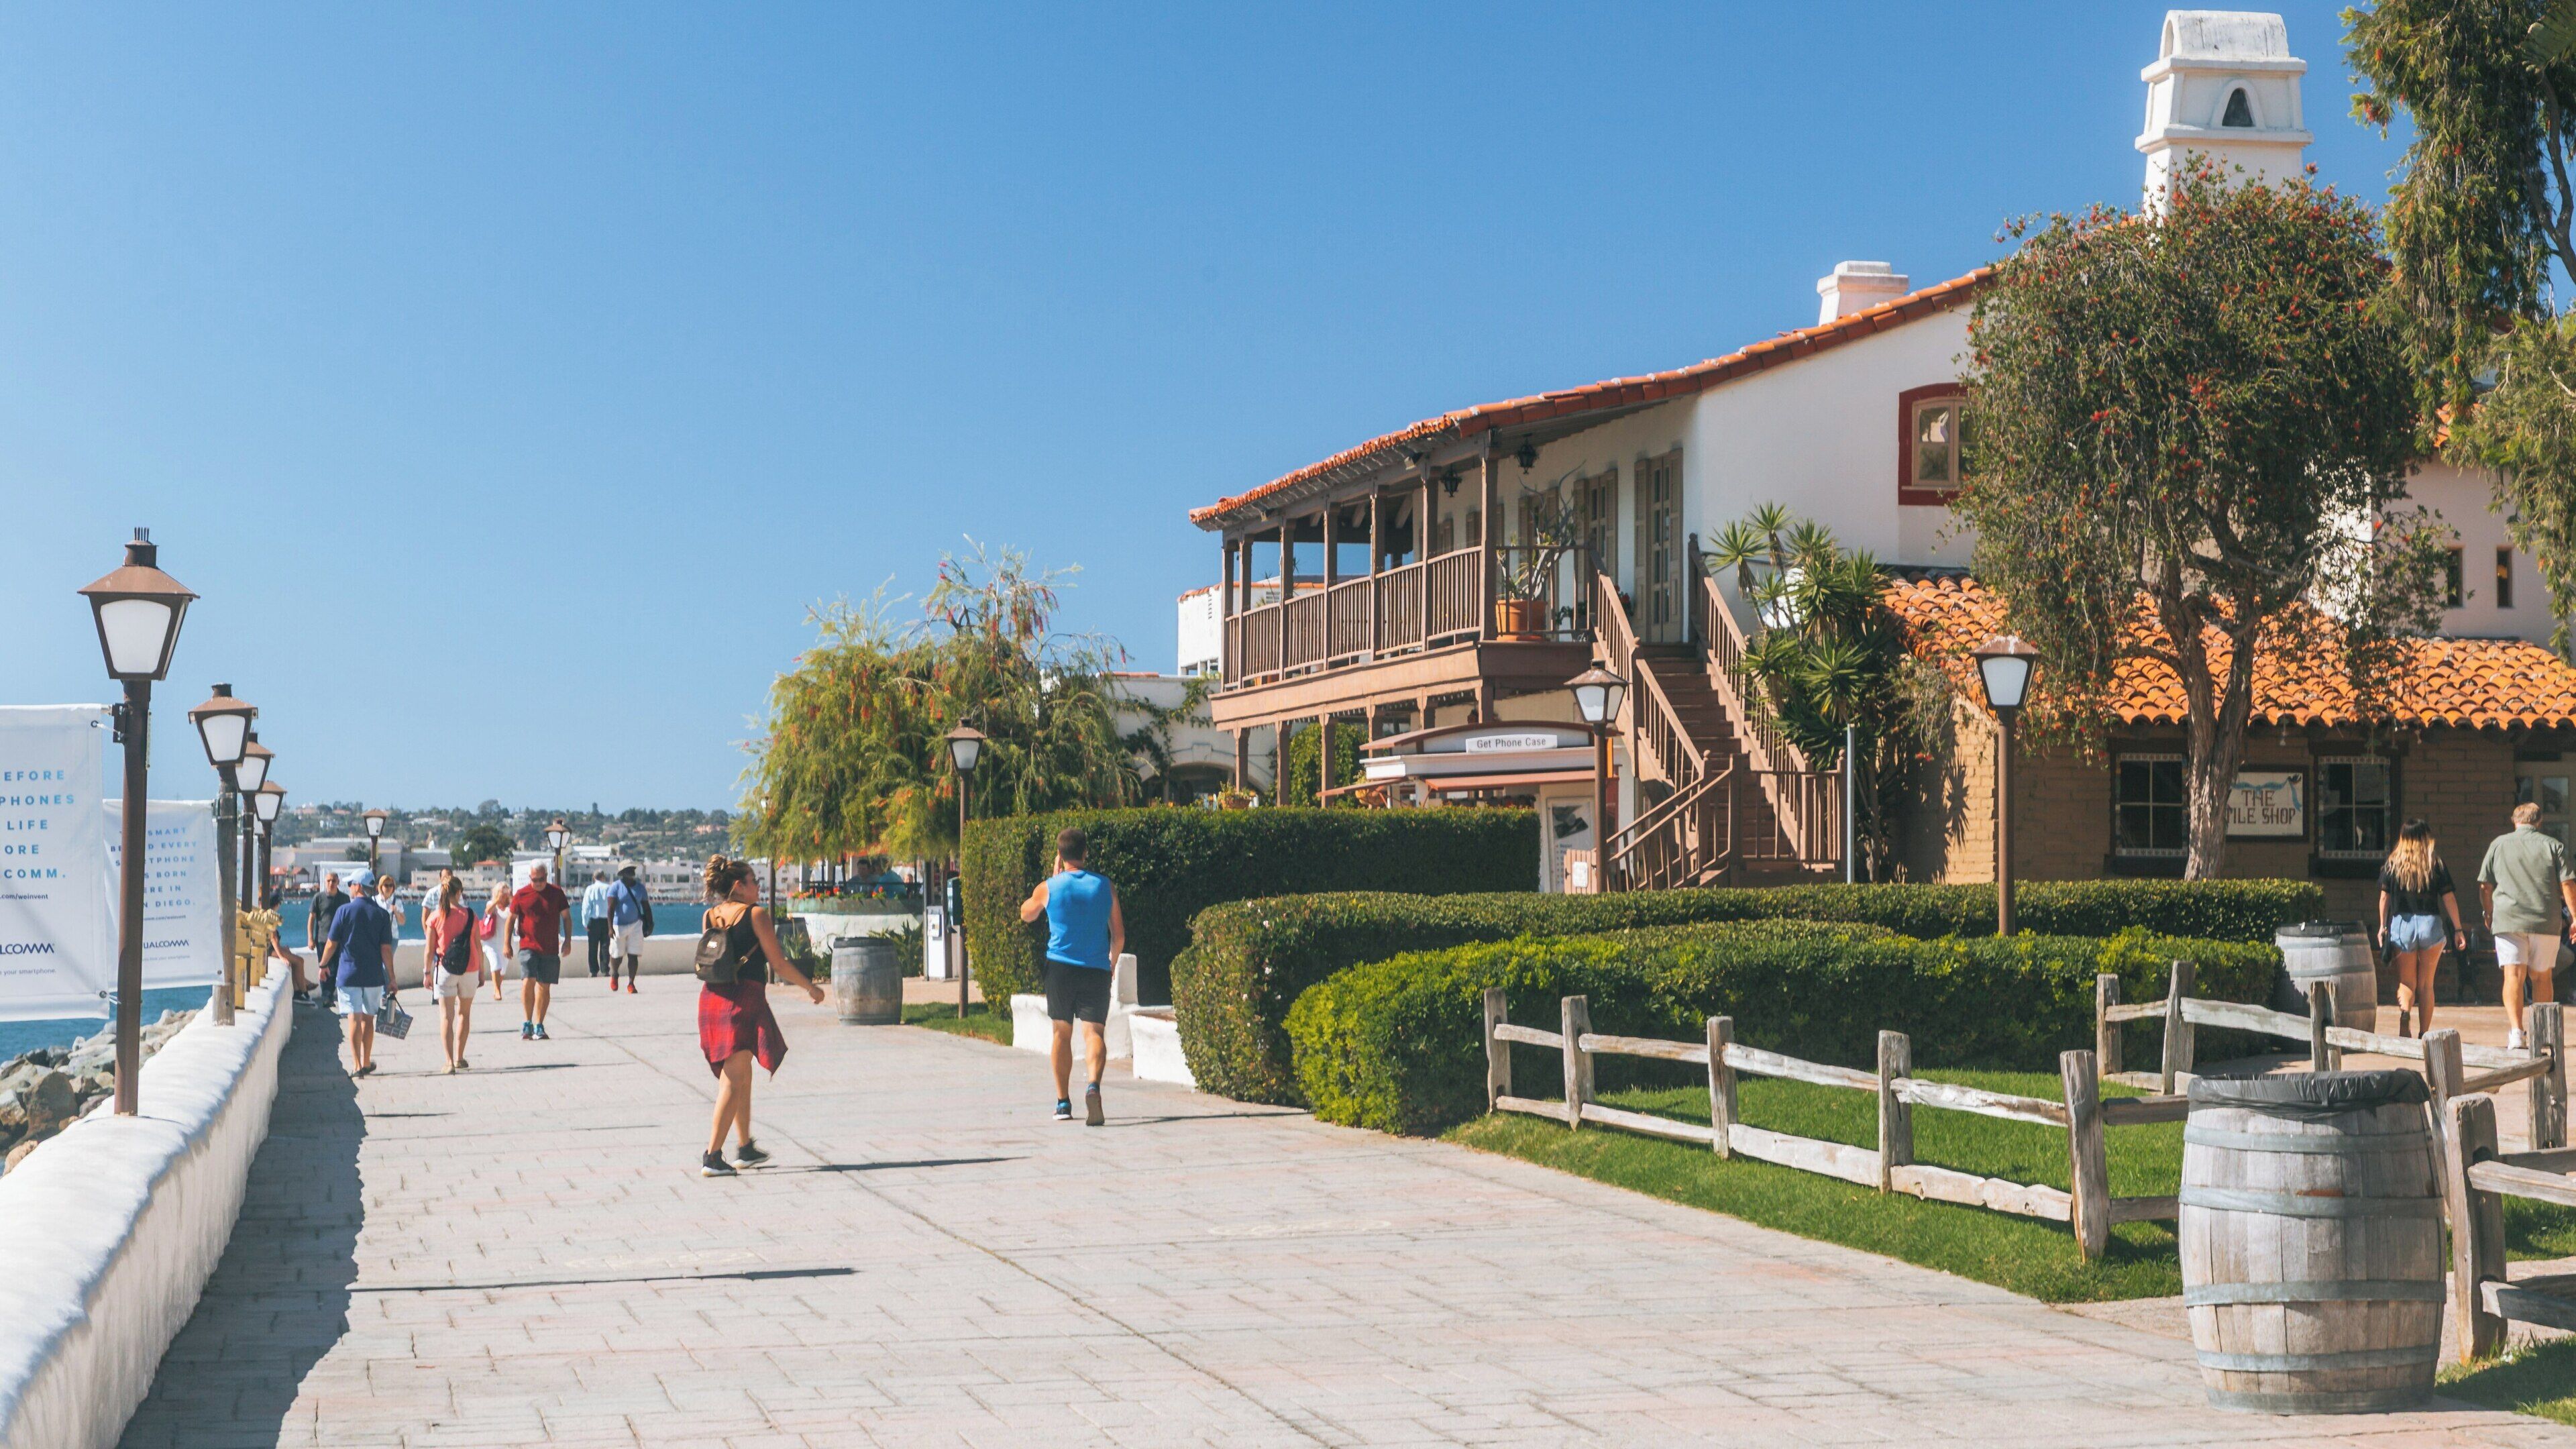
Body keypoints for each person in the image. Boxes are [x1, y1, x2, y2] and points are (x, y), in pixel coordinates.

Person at [696, 855, 823, 1177]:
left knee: (742, 1073)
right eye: (754, 881)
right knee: (733, 1078)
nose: (759, 887)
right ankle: (712, 1156)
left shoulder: (710, 915)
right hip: (742, 1002)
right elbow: (777, 963)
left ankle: (745, 1147)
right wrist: (811, 987)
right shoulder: (756, 915)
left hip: (712, 1000)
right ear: (739, 886)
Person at [1016, 826, 1124, 1126]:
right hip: (1096, 969)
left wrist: (1052, 880)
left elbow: (1026, 913)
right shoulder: (1105, 886)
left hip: (1060, 968)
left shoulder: (1050, 887)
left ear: (1060, 855)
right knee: (1094, 1034)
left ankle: (1063, 1103)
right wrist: (1112, 963)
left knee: (1061, 1033)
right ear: (1085, 853)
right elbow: (1119, 935)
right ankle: (1093, 1086)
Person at [2477, 801, 2576, 1052]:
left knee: (2513, 976)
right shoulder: (2554, 845)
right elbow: (2567, 885)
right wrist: (2575, 917)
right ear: (2539, 822)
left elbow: (2485, 886)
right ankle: (2541, 1034)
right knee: (2542, 977)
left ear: (2515, 821)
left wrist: (2489, 911)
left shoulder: (2498, 844)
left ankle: (2516, 1033)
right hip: (2545, 920)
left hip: (2509, 920)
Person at [2378, 819, 2467, 1036]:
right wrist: (2458, 929)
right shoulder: (2435, 863)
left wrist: (2382, 926)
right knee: (2427, 984)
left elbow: (2384, 898)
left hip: (2403, 924)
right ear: (2426, 838)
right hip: (2430, 924)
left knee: (2407, 981)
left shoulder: (2393, 863)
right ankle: (2424, 1033)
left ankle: (2405, 1013)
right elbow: (2449, 898)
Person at [319, 867, 396, 1077]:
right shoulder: (381, 914)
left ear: (359, 887)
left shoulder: (343, 911)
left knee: (353, 1018)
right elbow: (386, 950)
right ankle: (366, 1059)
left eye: (351, 884)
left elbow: (331, 944)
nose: (349, 887)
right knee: (368, 1019)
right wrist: (392, 978)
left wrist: (323, 965)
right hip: (373, 975)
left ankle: (355, 1065)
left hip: (348, 973)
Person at [422, 877, 481, 1072]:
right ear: (459, 893)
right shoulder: (471, 915)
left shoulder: (435, 917)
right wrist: (482, 971)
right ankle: (459, 1057)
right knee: (464, 1013)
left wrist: (427, 973)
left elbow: (429, 950)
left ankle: (448, 1062)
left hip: (445, 970)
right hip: (470, 968)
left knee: (446, 1016)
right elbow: (478, 946)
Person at [511, 863, 570, 1040]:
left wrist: (567, 941)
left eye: (541, 880)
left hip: (550, 947)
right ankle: (527, 1022)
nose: (538, 883)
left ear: (547, 876)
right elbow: (511, 919)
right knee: (528, 980)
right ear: (530, 878)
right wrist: (507, 943)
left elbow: (566, 917)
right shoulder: (521, 894)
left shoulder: (557, 893)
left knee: (544, 986)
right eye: (534, 880)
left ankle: (539, 1025)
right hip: (528, 945)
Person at [307, 871, 350, 1010]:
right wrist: (310, 938)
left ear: (338, 882)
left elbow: (349, 920)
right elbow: (312, 919)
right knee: (324, 968)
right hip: (323, 940)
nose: (331, 883)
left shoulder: (344, 898)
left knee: (337, 968)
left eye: (334, 881)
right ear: (325, 882)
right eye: (329, 881)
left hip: (340, 941)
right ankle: (326, 996)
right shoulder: (318, 898)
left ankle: (330, 994)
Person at [608, 863, 654, 994]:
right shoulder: (615, 887)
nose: (632, 872)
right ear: (623, 873)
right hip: (619, 925)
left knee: (633, 955)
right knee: (617, 955)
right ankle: (615, 974)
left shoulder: (640, 888)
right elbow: (610, 909)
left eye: (633, 870)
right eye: (629, 870)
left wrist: (650, 924)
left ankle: (631, 983)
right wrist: (610, 928)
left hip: (636, 925)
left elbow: (646, 907)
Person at [479, 883, 513, 1004]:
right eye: (502, 894)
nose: (504, 897)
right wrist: (496, 900)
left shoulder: (510, 909)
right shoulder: (491, 905)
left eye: (505, 894)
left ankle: (496, 988)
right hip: (491, 942)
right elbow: (488, 911)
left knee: (502, 969)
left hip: (505, 943)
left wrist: (511, 899)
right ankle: (498, 991)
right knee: (496, 964)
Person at [581, 869, 614, 979]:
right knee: (606, 946)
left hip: (594, 921)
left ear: (594, 878)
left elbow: (586, 907)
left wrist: (585, 922)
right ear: (603, 877)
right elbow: (613, 906)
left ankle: (593, 971)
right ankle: (605, 970)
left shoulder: (590, 889)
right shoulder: (609, 888)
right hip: (607, 921)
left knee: (592, 947)